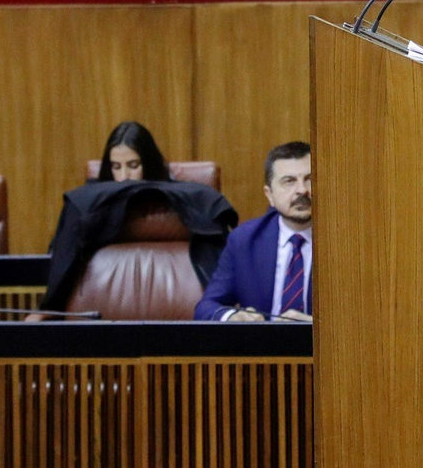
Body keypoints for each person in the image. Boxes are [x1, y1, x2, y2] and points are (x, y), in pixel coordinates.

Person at [196, 142, 313, 321]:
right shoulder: (244, 240)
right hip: (263, 348)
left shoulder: (348, 241)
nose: (302, 190)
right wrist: (233, 317)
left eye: (310, 179)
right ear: (270, 195)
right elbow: (206, 308)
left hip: (330, 348)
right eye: (289, 181)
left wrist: (320, 327)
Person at [96, 122, 171, 182]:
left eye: (133, 166)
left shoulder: (173, 196)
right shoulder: (95, 197)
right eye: (116, 167)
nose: (124, 177)